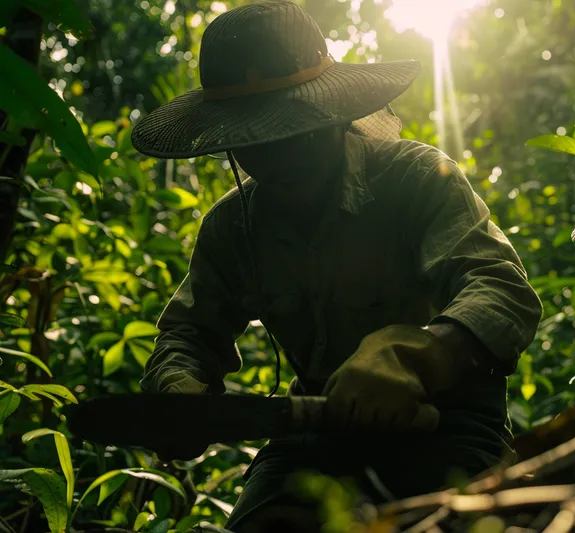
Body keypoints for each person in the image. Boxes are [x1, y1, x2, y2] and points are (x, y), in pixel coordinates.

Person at [131, 1, 542, 531]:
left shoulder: (416, 179)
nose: (275, 155)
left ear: (333, 112)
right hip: (311, 437)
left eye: (290, 130)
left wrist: (414, 353)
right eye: (254, 139)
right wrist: (179, 387)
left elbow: (501, 289)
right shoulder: (233, 227)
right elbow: (189, 332)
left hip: (447, 425)